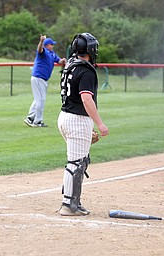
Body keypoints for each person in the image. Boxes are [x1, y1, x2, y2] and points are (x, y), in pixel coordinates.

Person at [57, 33, 109, 216]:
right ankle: (69, 204)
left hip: (66, 117)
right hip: (76, 120)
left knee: (79, 160)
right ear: (90, 50)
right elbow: (86, 99)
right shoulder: (86, 70)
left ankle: (73, 201)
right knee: (76, 162)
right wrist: (100, 124)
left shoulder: (71, 64)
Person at [24, 34, 66, 127]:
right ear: (47, 45)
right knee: (40, 100)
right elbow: (39, 49)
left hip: (42, 79)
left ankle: (30, 118)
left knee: (38, 99)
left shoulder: (52, 53)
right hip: (38, 77)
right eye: (51, 44)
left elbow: (58, 60)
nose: (53, 46)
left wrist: (63, 60)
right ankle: (38, 121)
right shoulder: (44, 52)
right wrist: (42, 41)